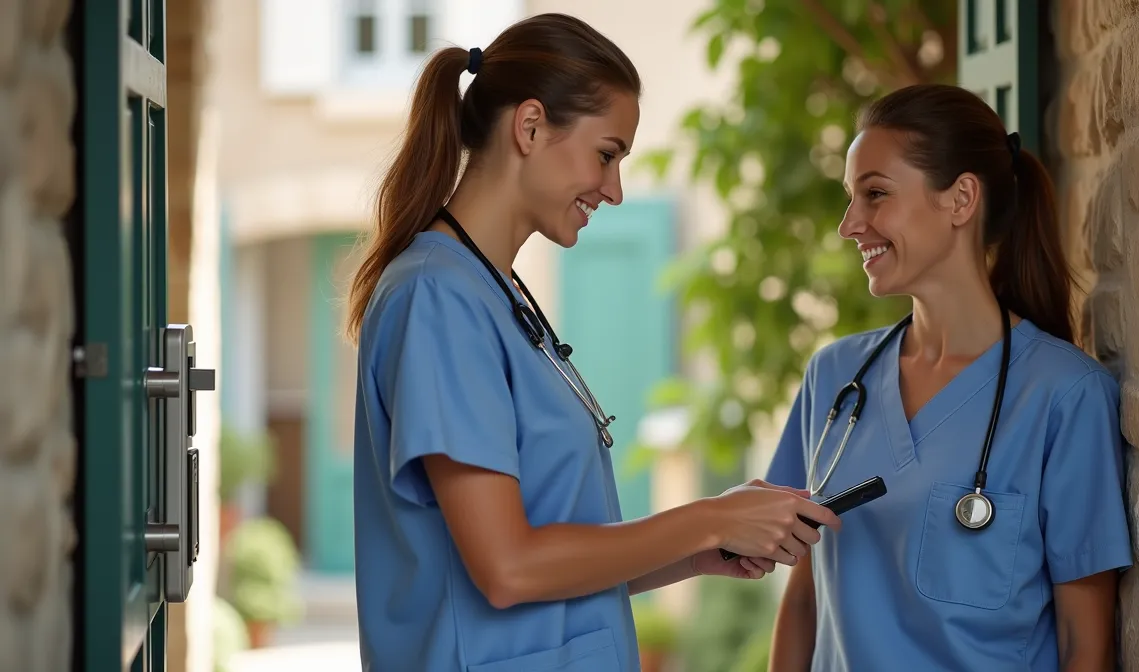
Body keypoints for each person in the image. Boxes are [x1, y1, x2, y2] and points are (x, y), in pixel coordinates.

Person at [345, 13, 842, 672]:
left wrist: (694, 552)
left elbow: (541, 567)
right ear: (529, 127)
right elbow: (507, 569)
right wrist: (709, 520)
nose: (614, 190)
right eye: (606, 154)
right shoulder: (438, 296)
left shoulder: (493, 294)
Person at [765, 84, 1133, 672]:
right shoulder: (834, 377)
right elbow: (806, 597)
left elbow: (1083, 644)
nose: (849, 224)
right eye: (850, 198)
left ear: (961, 199)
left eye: (875, 194)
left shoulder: (1065, 397)